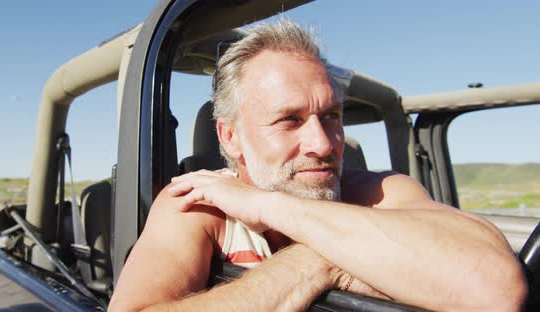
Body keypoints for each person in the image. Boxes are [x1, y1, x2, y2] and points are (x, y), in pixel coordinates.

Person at [109, 19, 526, 311]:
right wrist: (320, 259)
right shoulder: (199, 204)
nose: (324, 144)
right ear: (230, 138)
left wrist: (271, 209)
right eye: (289, 120)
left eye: (331, 116)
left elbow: (497, 288)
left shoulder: (381, 193)